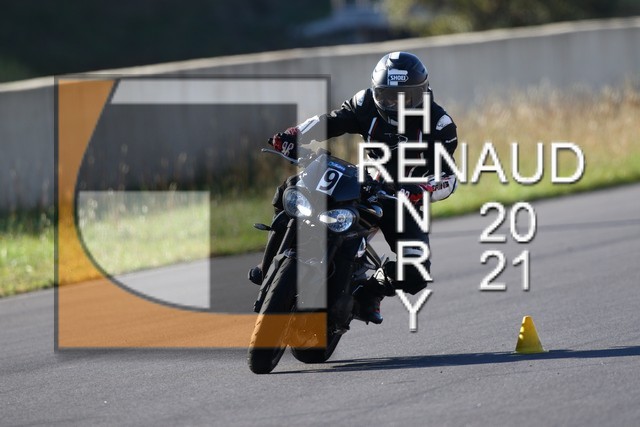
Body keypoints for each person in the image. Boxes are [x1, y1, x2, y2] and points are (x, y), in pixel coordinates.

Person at [249, 51, 459, 324]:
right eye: (388, 96)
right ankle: (268, 264)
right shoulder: (364, 102)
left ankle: (370, 293)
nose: (396, 104)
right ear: (376, 92)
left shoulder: (440, 124)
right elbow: (330, 121)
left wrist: (422, 189)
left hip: (404, 199)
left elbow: (448, 177)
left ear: (423, 93)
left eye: (406, 97)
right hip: (366, 179)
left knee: (416, 272)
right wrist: (293, 135)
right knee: (292, 188)